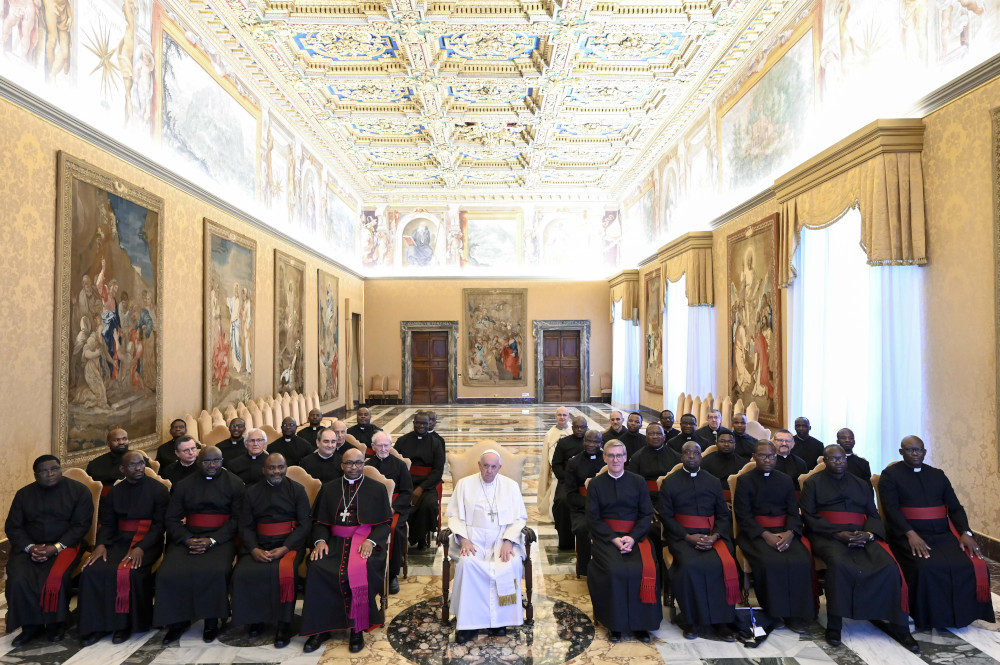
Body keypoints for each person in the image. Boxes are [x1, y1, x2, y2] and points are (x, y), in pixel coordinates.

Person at [800, 445, 918, 651]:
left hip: (861, 533)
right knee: (839, 564)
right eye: (833, 459)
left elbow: (873, 514)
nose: (839, 463)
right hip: (828, 536)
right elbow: (809, 516)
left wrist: (869, 534)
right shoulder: (812, 483)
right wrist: (839, 534)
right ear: (824, 461)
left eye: (842, 459)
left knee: (888, 566)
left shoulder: (862, 485)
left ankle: (899, 625)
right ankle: (834, 625)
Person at [878, 435, 994, 630]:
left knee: (969, 563)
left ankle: (966, 614)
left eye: (919, 449)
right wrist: (910, 534)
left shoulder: (938, 475)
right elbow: (891, 510)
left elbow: (955, 507)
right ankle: (929, 617)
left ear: (924, 451)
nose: (915, 453)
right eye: (910, 449)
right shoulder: (890, 475)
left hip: (942, 534)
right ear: (901, 452)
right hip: (909, 535)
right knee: (926, 567)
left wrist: (966, 532)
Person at [300, 448, 391, 653]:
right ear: (342, 465)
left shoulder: (376, 489)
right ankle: (321, 628)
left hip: (364, 544)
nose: (353, 467)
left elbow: (384, 524)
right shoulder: (329, 488)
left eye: (358, 463)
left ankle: (356, 628)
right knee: (317, 567)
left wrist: (371, 541)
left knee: (363, 570)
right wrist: (320, 541)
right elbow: (320, 521)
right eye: (349, 463)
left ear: (364, 464)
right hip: (334, 543)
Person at [154, 446, 246, 645]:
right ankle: (177, 621)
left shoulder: (236, 483)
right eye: (207, 461)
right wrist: (186, 538)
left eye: (217, 461)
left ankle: (211, 622)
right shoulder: (183, 485)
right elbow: (172, 518)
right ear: (198, 462)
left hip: (221, 538)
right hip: (189, 536)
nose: (212, 465)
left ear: (222, 461)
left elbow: (237, 519)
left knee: (214, 570)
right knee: (168, 572)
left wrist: (212, 540)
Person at [78, 451, 170, 645]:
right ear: (122, 469)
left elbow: (159, 525)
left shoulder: (158, 490)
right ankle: (97, 625)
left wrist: (141, 547)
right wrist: (101, 545)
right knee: (92, 570)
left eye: (141, 464)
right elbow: (108, 523)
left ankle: (124, 625)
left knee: (130, 572)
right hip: (118, 541)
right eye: (132, 465)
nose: (138, 468)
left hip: (147, 543)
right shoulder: (115, 492)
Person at [5, 455, 93, 647]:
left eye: (55, 469)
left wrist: (56, 547)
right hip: (30, 546)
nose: (50, 474)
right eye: (44, 471)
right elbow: (13, 527)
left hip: (66, 545)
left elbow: (80, 526)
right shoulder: (24, 494)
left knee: (54, 577)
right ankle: (30, 626)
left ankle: (56, 624)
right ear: (35, 475)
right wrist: (30, 547)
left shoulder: (79, 491)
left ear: (61, 469)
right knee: (19, 578)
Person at [446, 449, 529, 643]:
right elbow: (454, 516)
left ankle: (500, 621)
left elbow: (519, 518)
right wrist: (464, 540)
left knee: (510, 564)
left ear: (499, 467)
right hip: (473, 540)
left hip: (502, 539)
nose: (489, 471)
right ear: (479, 465)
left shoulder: (511, 486)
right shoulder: (464, 485)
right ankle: (468, 624)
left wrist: (509, 541)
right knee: (467, 565)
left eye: (493, 467)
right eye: (486, 466)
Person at [659, 441, 740, 641]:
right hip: (682, 537)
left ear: (701, 457)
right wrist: (688, 537)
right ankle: (692, 621)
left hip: (712, 536)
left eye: (696, 453)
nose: (692, 456)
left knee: (723, 564)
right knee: (689, 566)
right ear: (681, 456)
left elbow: (723, 514)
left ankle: (722, 621)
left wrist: (715, 536)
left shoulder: (712, 481)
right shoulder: (670, 482)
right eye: (687, 453)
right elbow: (666, 517)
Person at [733, 440, 815, 633]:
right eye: (763, 456)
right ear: (754, 457)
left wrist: (790, 532)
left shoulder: (785, 480)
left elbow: (793, 512)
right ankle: (773, 613)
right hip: (755, 533)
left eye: (771, 456)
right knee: (771, 562)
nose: (768, 460)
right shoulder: (744, 481)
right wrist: (765, 535)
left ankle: (796, 614)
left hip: (785, 531)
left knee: (800, 560)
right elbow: (743, 515)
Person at [232, 453, 312, 648]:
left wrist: (285, 548)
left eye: (280, 467)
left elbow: (304, 524)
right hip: (259, 543)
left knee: (285, 573)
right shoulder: (251, 492)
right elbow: (246, 526)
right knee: (244, 572)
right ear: (264, 470)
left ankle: (284, 624)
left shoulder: (297, 490)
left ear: (286, 468)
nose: (276, 471)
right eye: (272, 468)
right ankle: (255, 619)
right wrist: (253, 549)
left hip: (289, 544)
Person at [586, 440, 661, 643]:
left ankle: (642, 625)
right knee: (614, 571)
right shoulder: (595, 484)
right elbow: (593, 518)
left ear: (626, 457)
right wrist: (614, 539)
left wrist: (632, 537)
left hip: (635, 536)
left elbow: (646, 514)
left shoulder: (637, 481)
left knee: (642, 568)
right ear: (605, 458)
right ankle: (615, 624)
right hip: (607, 538)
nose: (615, 459)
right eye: (611, 455)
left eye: (619, 455)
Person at [366, 431, 413, 594]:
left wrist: (393, 508)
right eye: (380, 445)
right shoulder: (367, 466)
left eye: (386, 445)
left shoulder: (399, 465)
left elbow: (407, 492)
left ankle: (392, 574)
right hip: (371, 508)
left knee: (394, 530)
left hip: (394, 507)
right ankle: (370, 569)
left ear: (391, 446)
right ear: (373, 447)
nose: (383, 448)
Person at [394, 411, 444, 549]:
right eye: (419, 423)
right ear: (413, 423)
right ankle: (403, 536)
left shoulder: (436, 443)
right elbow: (395, 464)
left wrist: (421, 488)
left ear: (429, 424)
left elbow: (438, 470)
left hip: (427, 484)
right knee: (401, 503)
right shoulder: (402, 441)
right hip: (405, 482)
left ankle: (421, 538)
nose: (421, 426)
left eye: (425, 423)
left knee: (428, 504)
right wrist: (406, 485)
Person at [565, 429, 604, 575]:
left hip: (605, 507)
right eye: (588, 440)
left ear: (601, 443)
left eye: (595, 442)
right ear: (583, 441)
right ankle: (586, 568)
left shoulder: (607, 459)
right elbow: (570, 494)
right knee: (583, 528)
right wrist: (588, 504)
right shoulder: (574, 462)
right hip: (582, 507)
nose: (591, 444)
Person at [552, 415, 587, 550]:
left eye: (582, 427)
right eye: (576, 427)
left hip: (587, 483)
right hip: (567, 481)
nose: (579, 430)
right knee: (562, 501)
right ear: (572, 428)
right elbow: (556, 464)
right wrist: (567, 479)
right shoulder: (564, 443)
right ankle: (566, 541)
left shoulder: (591, 441)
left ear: (586, 428)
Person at [628, 423, 681, 513]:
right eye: (651, 433)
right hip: (646, 499)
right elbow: (633, 485)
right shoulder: (636, 457)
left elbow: (679, 483)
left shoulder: (676, 457)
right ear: (646, 437)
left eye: (659, 433)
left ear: (664, 437)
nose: (655, 436)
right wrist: (645, 505)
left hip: (670, 499)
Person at [87, 426, 145, 503]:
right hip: (102, 503)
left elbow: (146, 485)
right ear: (108, 443)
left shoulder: (140, 461)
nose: (121, 442)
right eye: (116, 440)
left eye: (124, 439)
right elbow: (89, 487)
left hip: (133, 501)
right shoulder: (94, 464)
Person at [538, 406, 573, 521]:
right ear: (555, 416)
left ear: (568, 417)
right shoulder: (550, 434)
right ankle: (556, 516)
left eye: (564, 415)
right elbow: (546, 455)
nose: (562, 417)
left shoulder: (574, 431)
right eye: (559, 415)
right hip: (557, 470)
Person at [700, 432, 749, 499]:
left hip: (735, 499)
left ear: (735, 444)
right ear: (716, 444)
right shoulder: (706, 461)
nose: (726, 444)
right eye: (722, 441)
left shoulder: (743, 463)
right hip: (710, 497)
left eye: (730, 441)